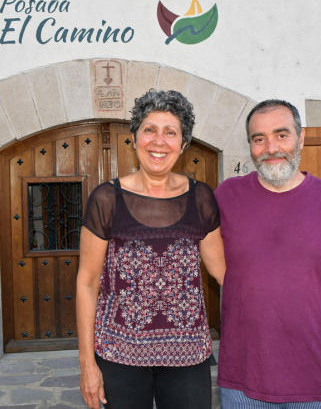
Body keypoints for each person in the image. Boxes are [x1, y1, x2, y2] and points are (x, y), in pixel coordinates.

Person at [215, 100, 321, 409]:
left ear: (301, 138)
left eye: (281, 135)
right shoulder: (227, 196)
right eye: (259, 138)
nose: (271, 147)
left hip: (317, 383)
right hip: (242, 384)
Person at [76, 89, 226, 409]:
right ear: (134, 138)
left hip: (187, 358)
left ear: (183, 145)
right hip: (119, 356)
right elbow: (87, 283)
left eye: (170, 132)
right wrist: (87, 365)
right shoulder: (106, 200)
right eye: (149, 130)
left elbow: (224, 273)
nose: (159, 141)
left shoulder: (201, 198)